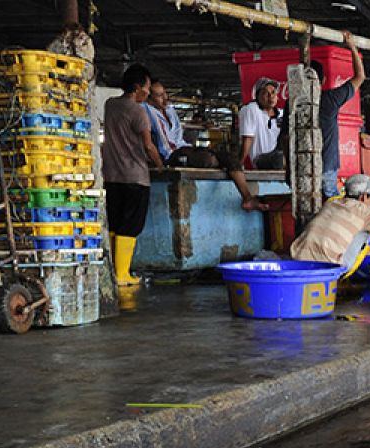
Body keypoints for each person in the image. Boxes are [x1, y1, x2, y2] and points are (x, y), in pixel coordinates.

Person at [143, 80, 267, 211]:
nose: (165, 98)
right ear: (149, 98)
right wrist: (160, 166)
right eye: (159, 95)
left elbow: (179, 136)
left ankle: (247, 198)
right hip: (170, 155)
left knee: (230, 157)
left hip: (185, 148)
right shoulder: (145, 110)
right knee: (208, 159)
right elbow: (148, 143)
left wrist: (195, 128)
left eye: (165, 94)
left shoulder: (170, 110)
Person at [102, 63, 163, 287]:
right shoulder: (138, 111)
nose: (148, 93)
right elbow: (148, 146)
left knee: (115, 224)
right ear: (137, 88)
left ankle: (110, 272)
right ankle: (122, 274)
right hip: (135, 176)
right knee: (130, 226)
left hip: (111, 175)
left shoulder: (110, 105)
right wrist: (159, 164)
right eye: (147, 88)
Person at [312, 31, 367, 199]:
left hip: (302, 171)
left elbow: (285, 138)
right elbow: (360, 77)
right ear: (322, 80)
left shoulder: (292, 103)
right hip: (326, 167)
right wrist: (352, 47)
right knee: (329, 211)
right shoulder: (329, 99)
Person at [239, 77, 284, 170]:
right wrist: (239, 164)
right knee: (279, 158)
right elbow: (248, 138)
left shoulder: (282, 114)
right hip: (261, 159)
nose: (270, 96)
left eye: (273, 93)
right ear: (257, 96)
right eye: (265, 93)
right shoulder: (251, 109)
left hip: (280, 156)